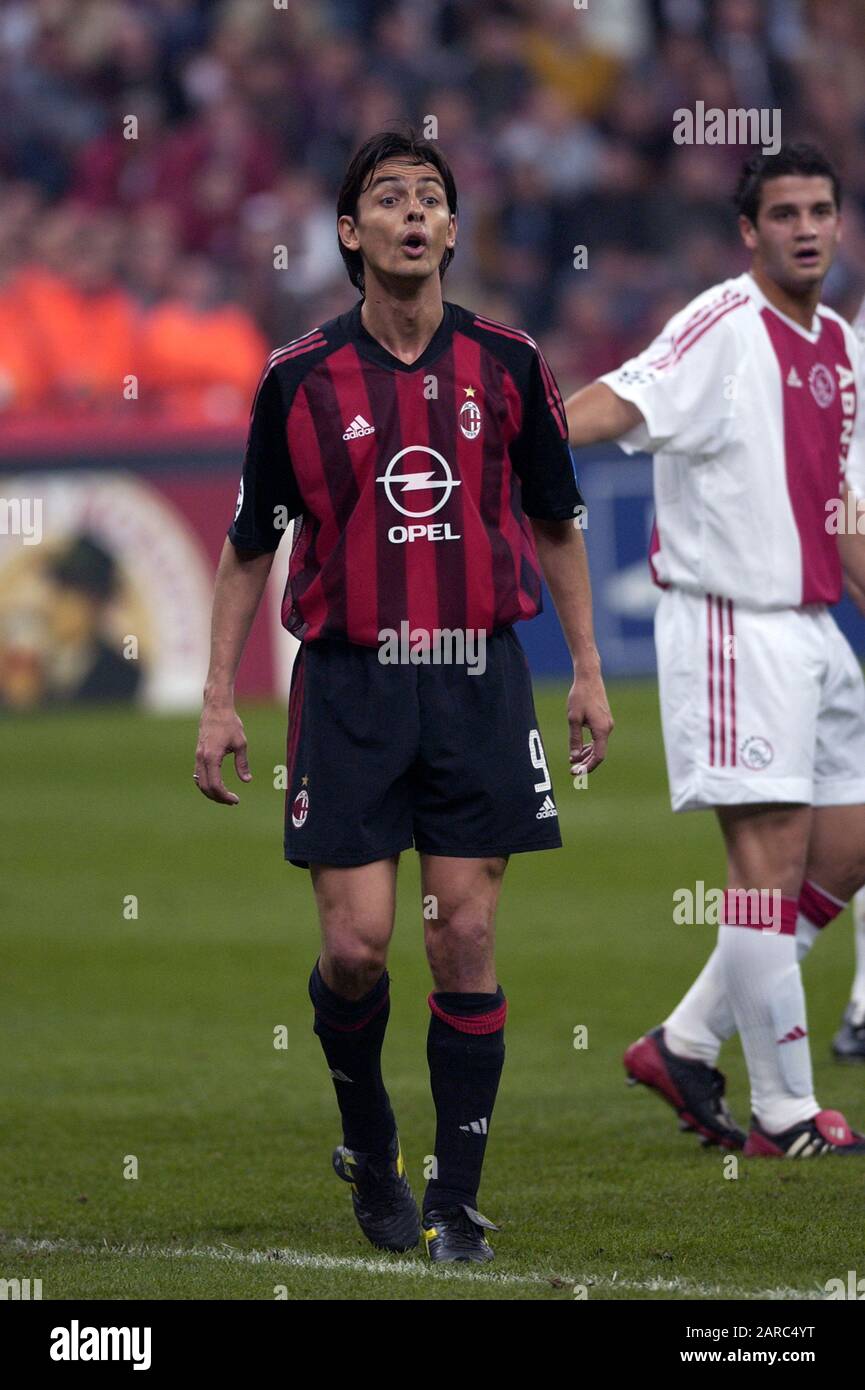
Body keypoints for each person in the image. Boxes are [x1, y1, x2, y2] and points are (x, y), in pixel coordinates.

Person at [194, 128, 613, 1259]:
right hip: (349, 684)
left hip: (478, 678)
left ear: (451, 230)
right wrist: (220, 698)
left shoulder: (513, 364)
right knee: (360, 949)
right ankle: (370, 1140)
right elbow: (247, 546)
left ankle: (458, 1200)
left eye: (432, 198)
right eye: (390, 199)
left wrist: (583, 667)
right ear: (351, 232)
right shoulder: (297, 380)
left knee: (465, 934)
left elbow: (557, 523)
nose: (415, 214)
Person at [565, 143, 865, 1158]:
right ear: (749, 231)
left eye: (820, 209)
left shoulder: (839, 345)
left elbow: (847, 511)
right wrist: (512, 438)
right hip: (733, 624)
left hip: (816, 624)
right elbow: (618, 400)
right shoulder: (719, 325)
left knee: (850, 839)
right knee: (763, 868)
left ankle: (685, 1039)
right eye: (783, 213)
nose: (806, 228)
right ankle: (785, 1115)